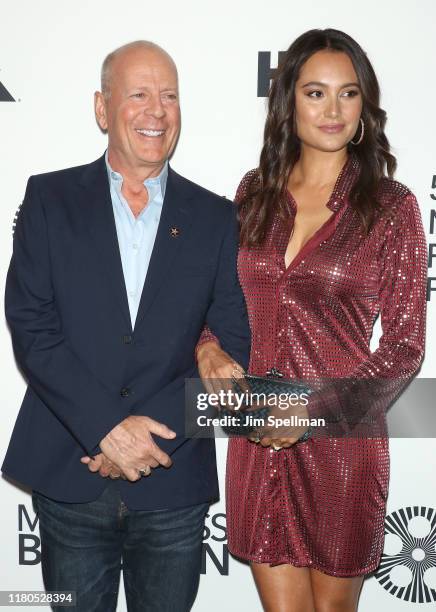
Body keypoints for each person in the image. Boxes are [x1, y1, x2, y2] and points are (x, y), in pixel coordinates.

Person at [2, 40, 250, 612]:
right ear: (101, 108)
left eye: (169, 96)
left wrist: (142, 434)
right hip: (71, 471)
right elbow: (32, 326)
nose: (156, 111)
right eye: (138, 94)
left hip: (173, 482)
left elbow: (232, 338)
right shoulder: (49, 198)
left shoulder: (215, 217)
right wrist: (105, 428)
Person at [197, 29, 426, 612]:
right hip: (259, 439)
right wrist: (207, 348)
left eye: (348, 94)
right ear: (288, 102)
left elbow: (404, 347)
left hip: (340, 440)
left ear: (364, 107)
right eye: (315, 93)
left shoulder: (390, 206)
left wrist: (311, 411)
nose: (332, 110)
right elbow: (213, 303)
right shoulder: (254, 196)